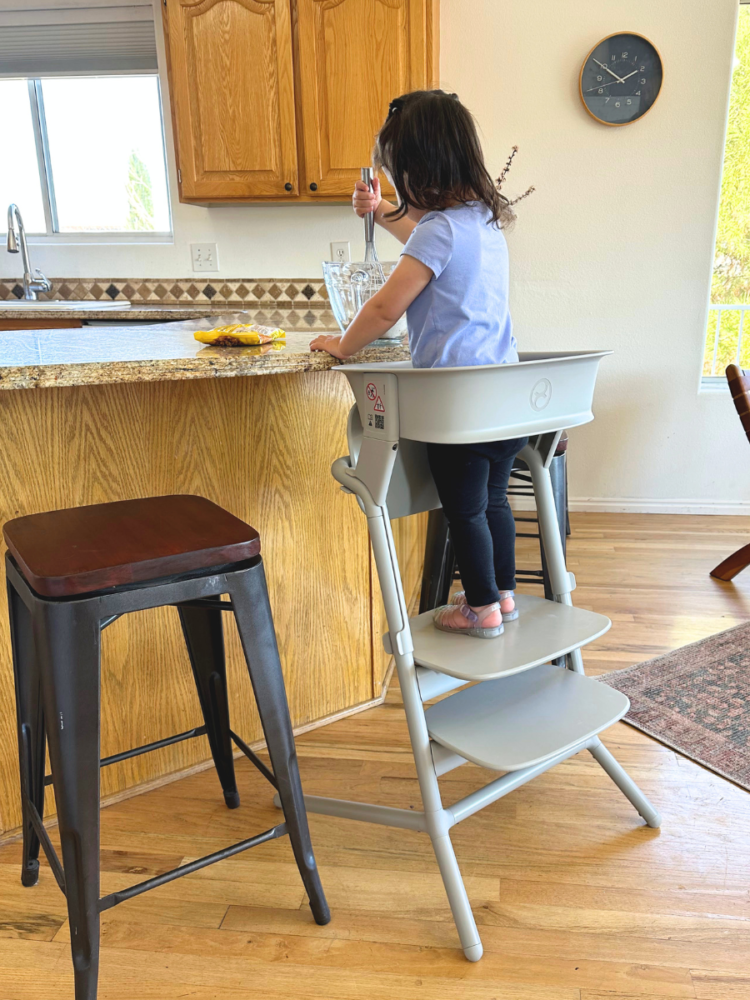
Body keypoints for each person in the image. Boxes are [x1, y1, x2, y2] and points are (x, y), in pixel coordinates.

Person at [311, 89, 532, 639]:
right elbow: (431, 245)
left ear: (419, 167)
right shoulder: (482, 219)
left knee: (464, 510)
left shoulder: (440, 229)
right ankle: (501, 597)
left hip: (455, 405)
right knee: (494, 501)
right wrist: (384, 212)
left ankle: (478, 609)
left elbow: (387, 306)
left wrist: (343, 346)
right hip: (502, 399)